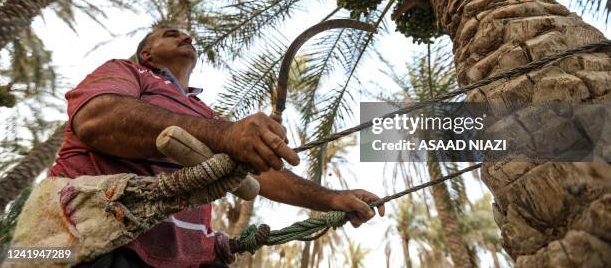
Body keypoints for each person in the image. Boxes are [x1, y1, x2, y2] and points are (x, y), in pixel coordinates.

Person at [50, 27, 385, 268]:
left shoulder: (207, 115)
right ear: (146, 54)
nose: (186, 37)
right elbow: (97, 118)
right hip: (92, 238)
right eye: (170, 34)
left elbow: (258, 172)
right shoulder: (127, 72)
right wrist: (224, 135)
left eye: (188, 36)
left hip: (183, 258)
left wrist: (332, 198)